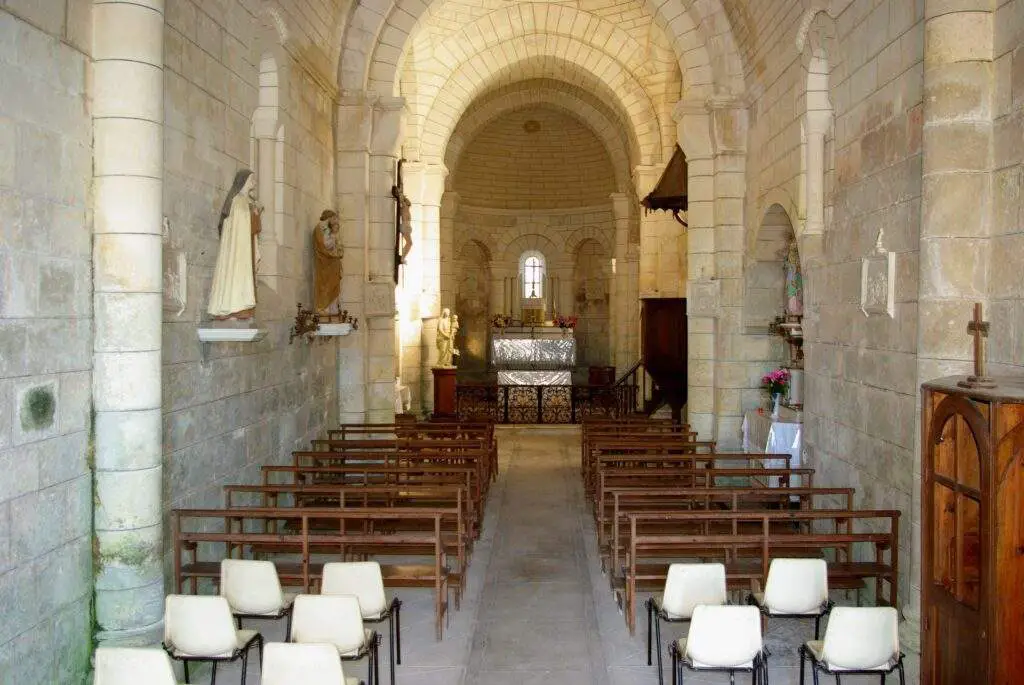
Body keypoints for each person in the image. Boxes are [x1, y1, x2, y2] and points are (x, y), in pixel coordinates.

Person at [208, 170, 262, 319]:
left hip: (244, 247)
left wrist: (256, 214)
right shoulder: (238, 201)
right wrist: (254, 214)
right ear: (244, 181)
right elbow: (237, 227)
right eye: (252, 179)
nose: (254, 182)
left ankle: (240, 305)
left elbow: (251, 227)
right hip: (238, 249)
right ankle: (233, 306)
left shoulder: (246, 201)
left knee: (241, 273)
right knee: (235, 271)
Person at [313, 209, 344, 315]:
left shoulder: (329, 230)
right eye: (334, 218)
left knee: (334, 285)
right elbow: (325, 245)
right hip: (325, 262)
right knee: (325, 285)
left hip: (333, 262)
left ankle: (332, 308)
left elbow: (338, 248)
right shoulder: (321, 228)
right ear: (329, 217)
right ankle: (323, 308)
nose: (335, 221)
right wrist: (334, 237)